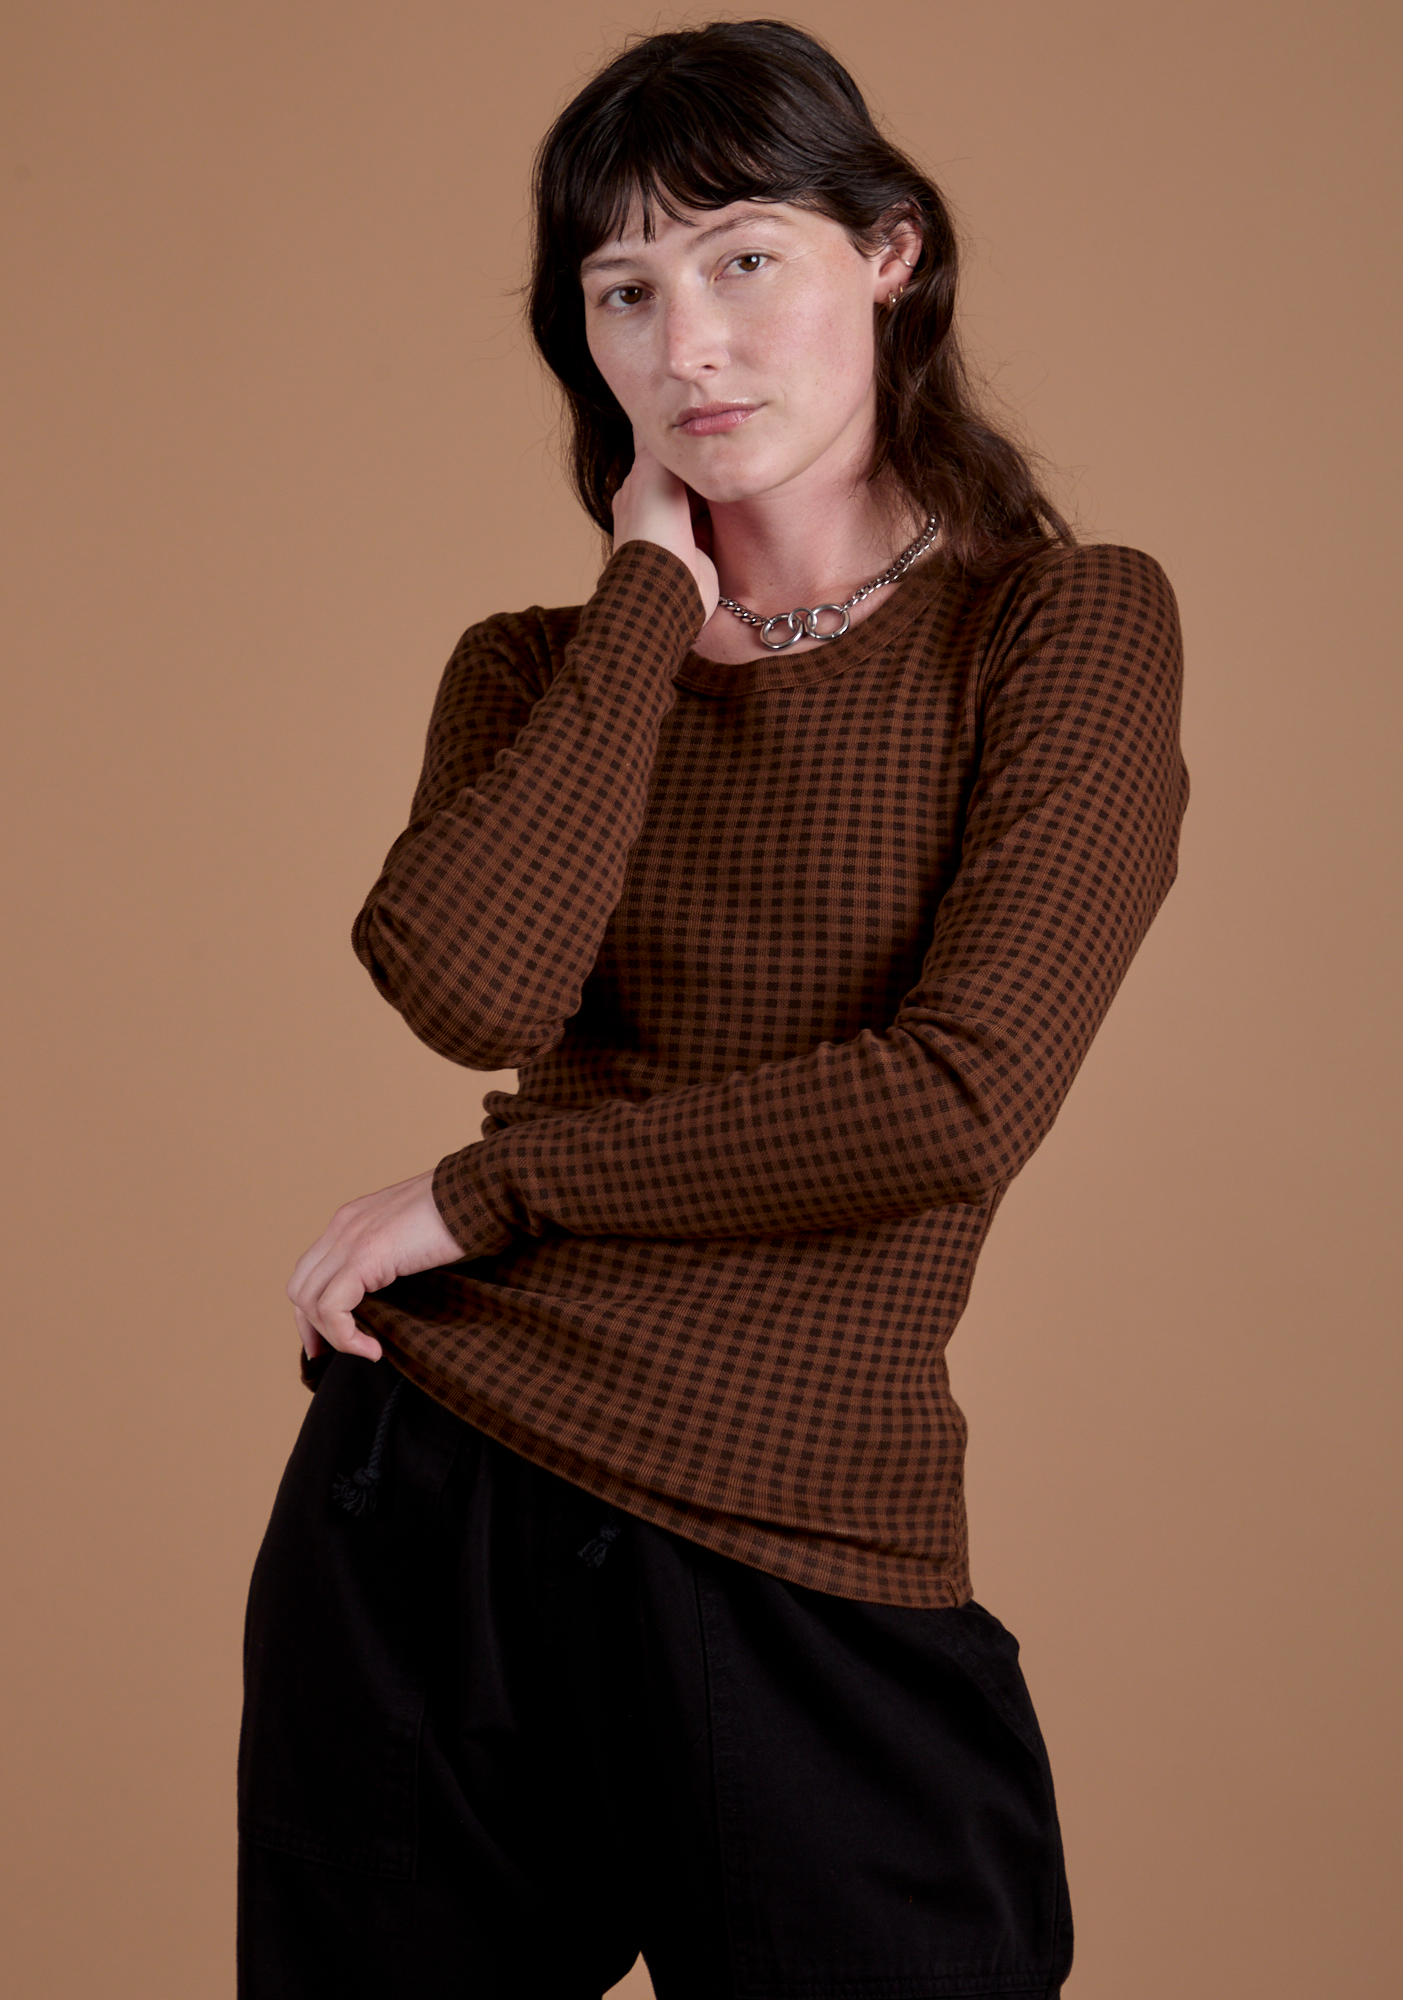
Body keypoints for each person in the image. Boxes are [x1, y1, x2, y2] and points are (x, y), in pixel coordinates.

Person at [238, 19, 1188, 1999]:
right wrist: (645, 607)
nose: (690, 346)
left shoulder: (1058, 627)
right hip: (429, 1499)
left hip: (789, 1526)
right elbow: (469, 986)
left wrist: (488, 1196)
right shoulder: (536, 667)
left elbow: (952, 1098)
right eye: (624, 292)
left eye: (744, 258)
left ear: (891, 252)